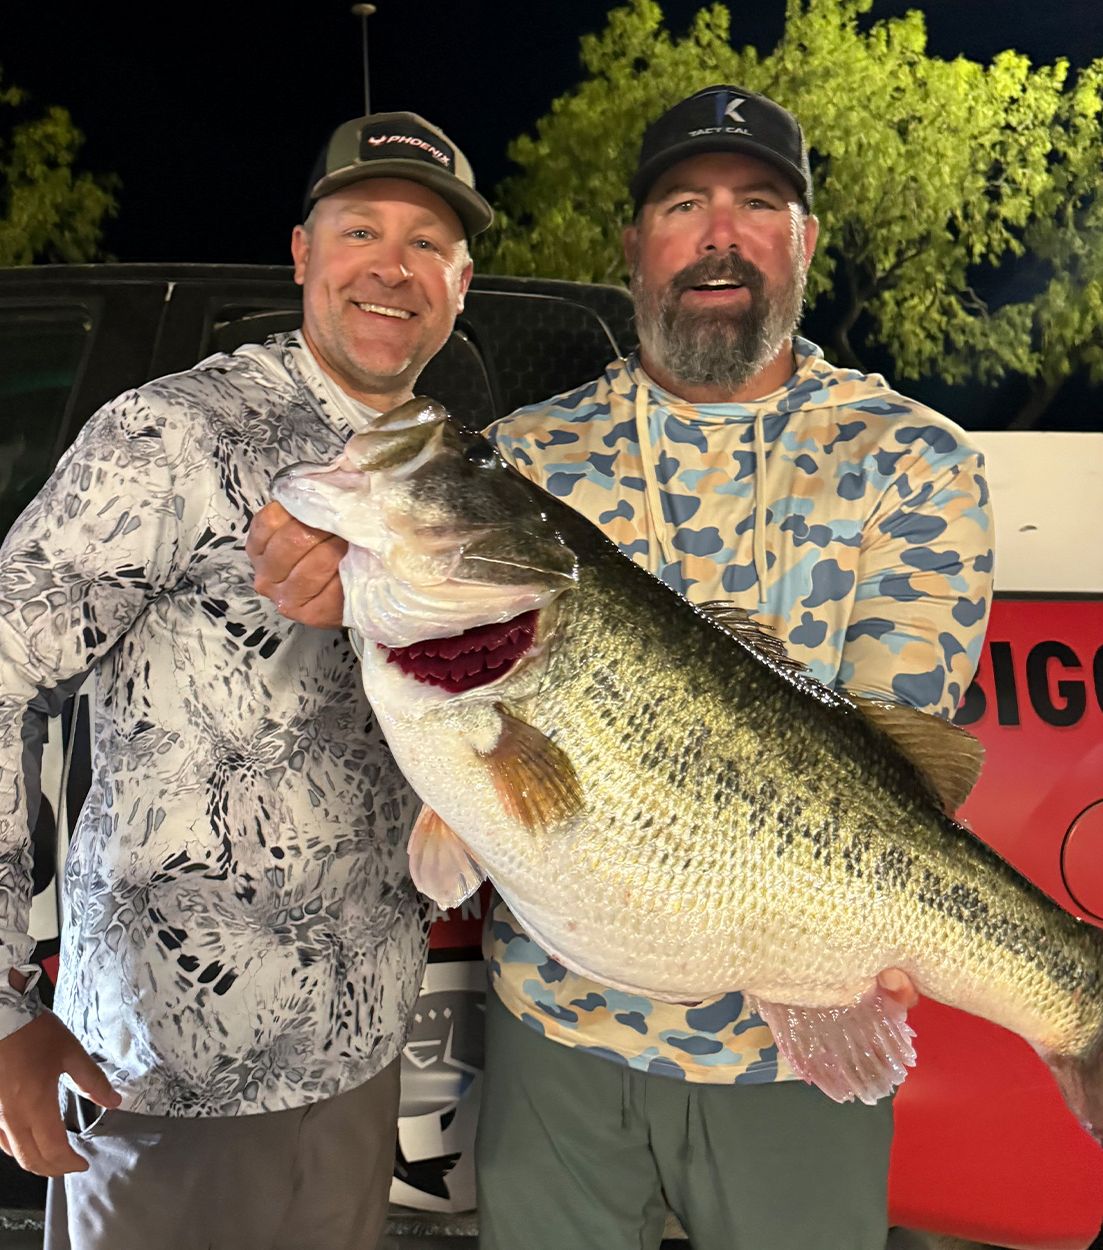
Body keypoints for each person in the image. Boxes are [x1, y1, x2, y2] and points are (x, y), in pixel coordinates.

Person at [252, 88, 993, 1249]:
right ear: (634, 245)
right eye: (682, 203)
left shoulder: (911, 461)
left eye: (758, 204)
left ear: (803, 241)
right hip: (556, 1038)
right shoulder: (533, 454)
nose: (719, 232)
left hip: (784, 1058)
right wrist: (312, 574)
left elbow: (898, 747)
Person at [0, 110, 492, 1250]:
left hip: (356, 1047)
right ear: (300, 255)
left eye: (426, 243)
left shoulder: (456, 471)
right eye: (360, 230)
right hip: (162, 1074)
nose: (392, 266)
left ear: (462, 282)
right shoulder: (174, 435)